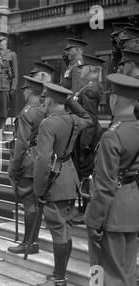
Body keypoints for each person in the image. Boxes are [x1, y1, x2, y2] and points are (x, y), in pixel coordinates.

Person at [33, 83, 91, 286]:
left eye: (45, 98)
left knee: (59, 231)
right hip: (70, 177)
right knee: (65, 229)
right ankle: (60, 275)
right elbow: (88, 118)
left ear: (49, 100)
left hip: (54, 182)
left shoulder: (48, 124)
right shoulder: (73, 120)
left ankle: (59, 279)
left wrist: (39, 189)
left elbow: (42, 160)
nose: (43, 102)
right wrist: (70, 101)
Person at [85, 74, 139, 286]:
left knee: (107, 278)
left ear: (114, 100)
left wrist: (93, 220)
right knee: (127, 273)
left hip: (111, 212)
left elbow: (105, 185)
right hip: (132, 205)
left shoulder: (112, 135)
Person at [7, 76, 46, 255]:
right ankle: (33, 241)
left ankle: (28, 243)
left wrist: (13, 167)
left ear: (29, 91)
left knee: (29, 203)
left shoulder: (26, 112)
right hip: (40, 160)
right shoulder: (44, 110)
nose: (23, 92)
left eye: (25, 89)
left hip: (27, 162)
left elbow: (21, 143)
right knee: (36, 204)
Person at [71, 54, 105, 222]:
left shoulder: (90, 89)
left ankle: (85, 211)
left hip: (87, 137)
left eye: (82, 67)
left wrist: (84, 144)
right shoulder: (89, 86)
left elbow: (90, 120)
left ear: (91, 69)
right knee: (82, 173)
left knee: (85, 173)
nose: (80, 70)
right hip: (85, 134)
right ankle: (83, 209)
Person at [0, 32, 18, 138]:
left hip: (5, 86)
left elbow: (15, 74)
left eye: (1, 41)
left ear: (6, 41)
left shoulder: (11, 55)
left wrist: (13, 88)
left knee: (3, 110)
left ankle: (2, 132)